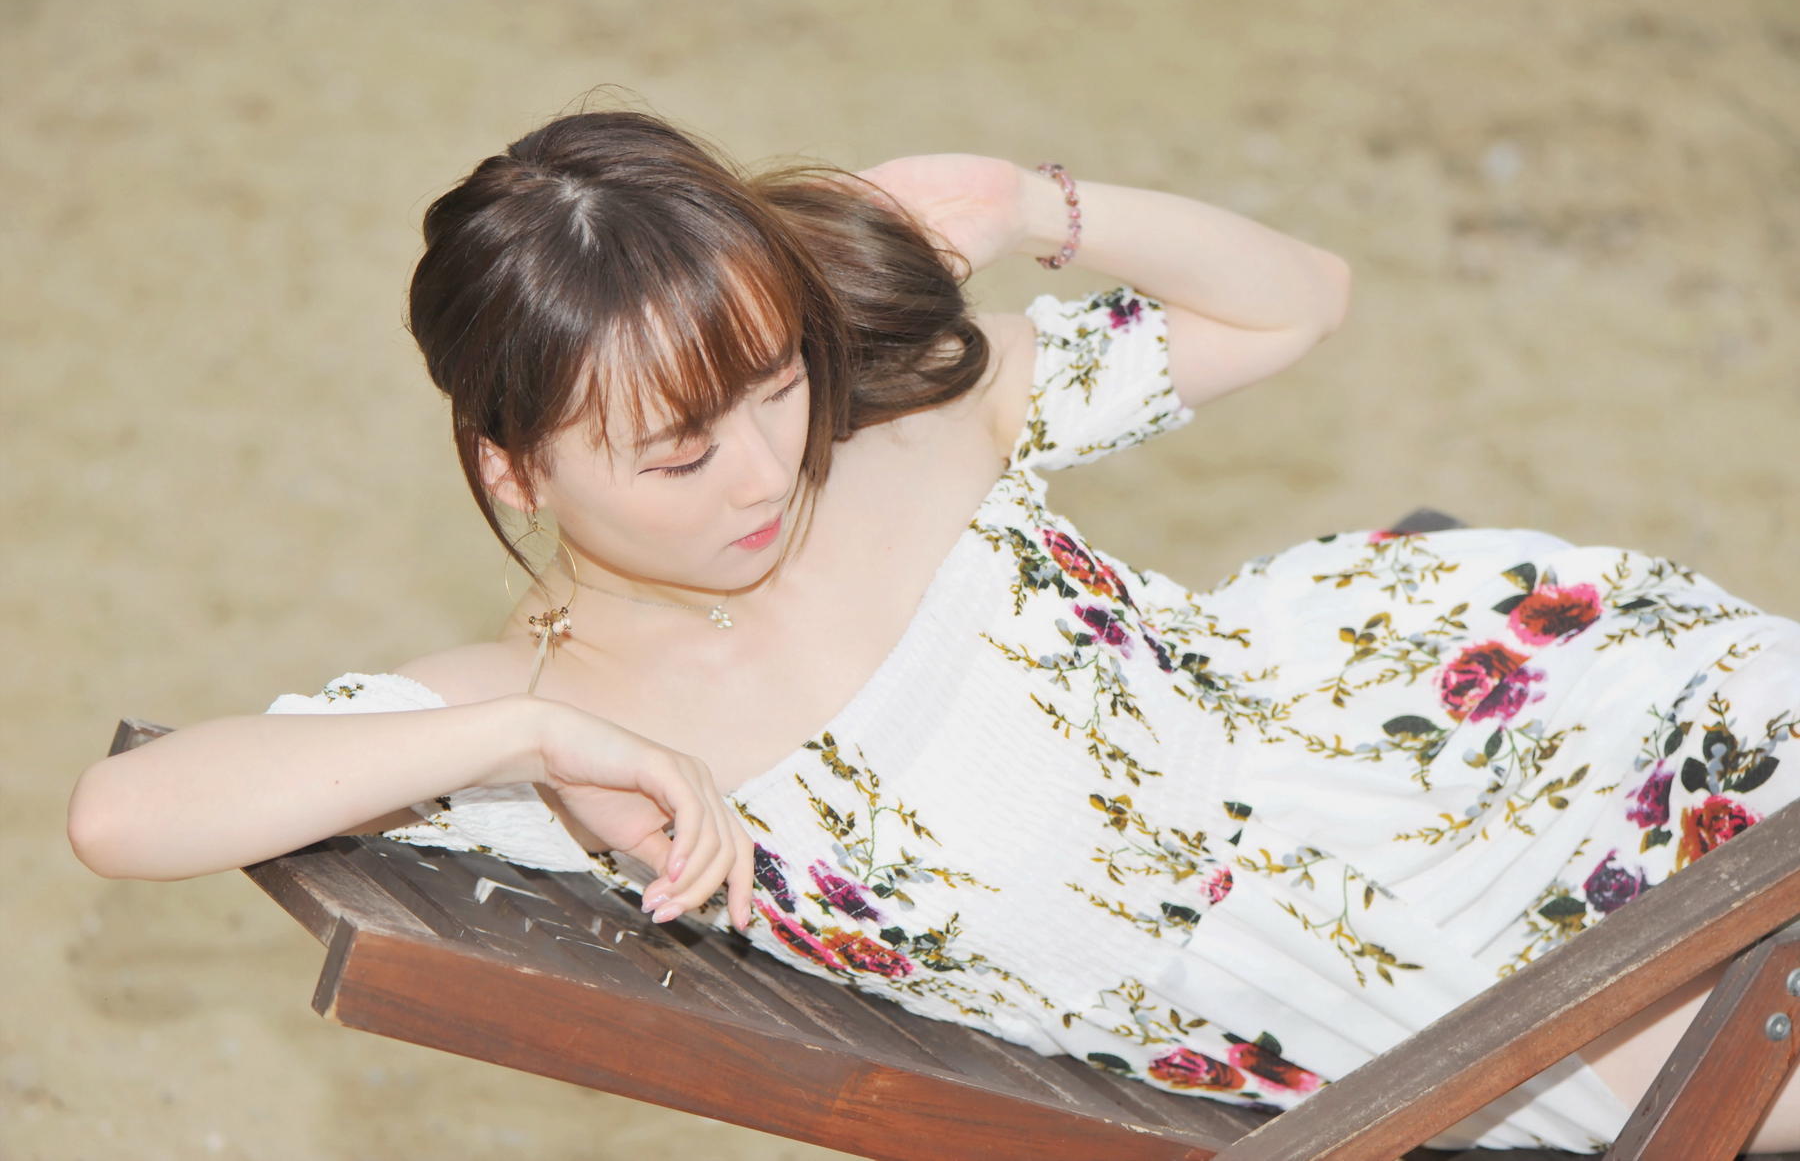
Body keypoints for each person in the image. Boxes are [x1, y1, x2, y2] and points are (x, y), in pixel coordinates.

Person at [68, 107, 1800, 1152]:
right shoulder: (544, 713)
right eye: (679, 451)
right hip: (1371, 991)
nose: (765, 470)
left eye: (773, 385)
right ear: (514, 470)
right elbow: (123, 815)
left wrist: (1034, 205)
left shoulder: (909, 431)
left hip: (1428, 731)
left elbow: (1298, 301)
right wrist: (524, 733)